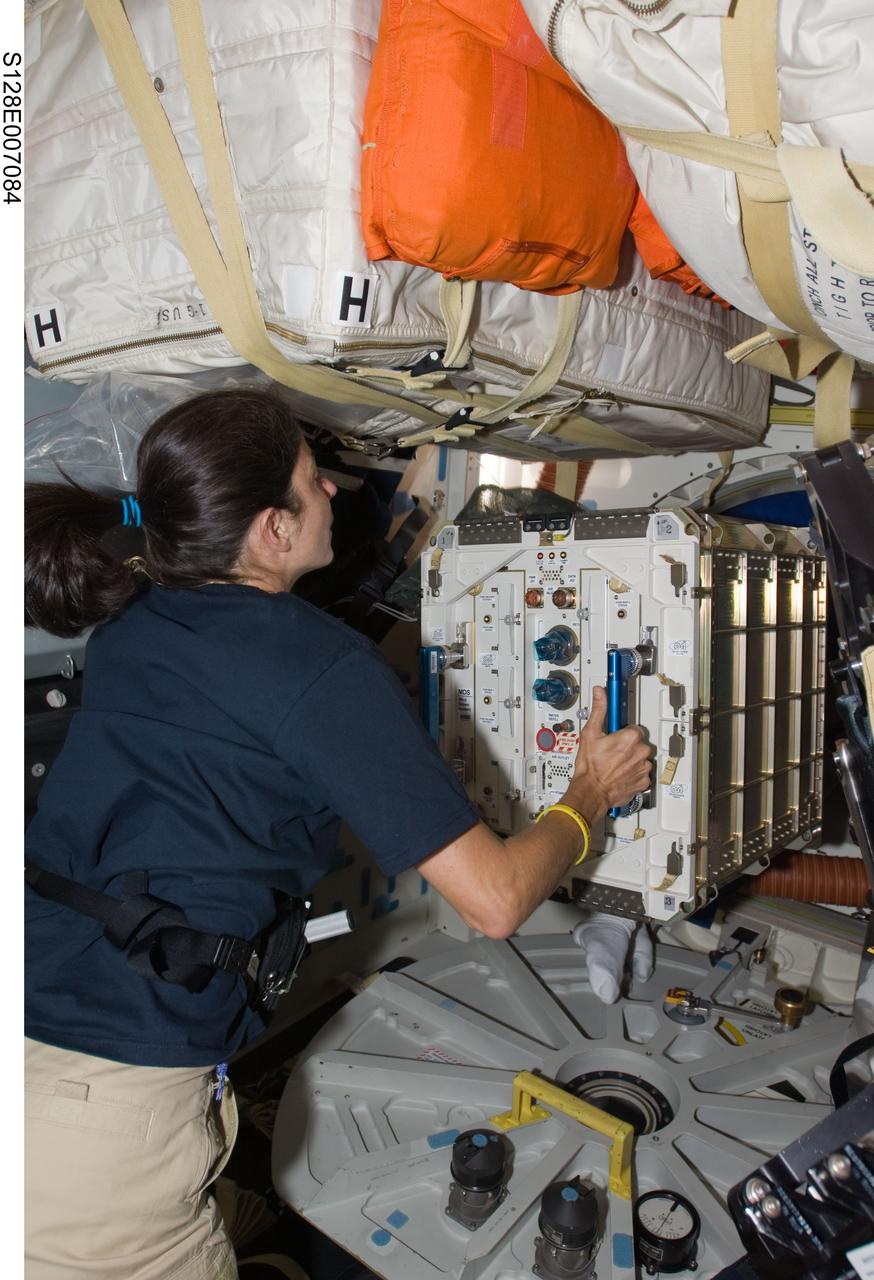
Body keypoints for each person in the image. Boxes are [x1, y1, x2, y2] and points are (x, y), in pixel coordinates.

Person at [24, 388, 653, 1280]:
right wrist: (589, 792)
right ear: (274, 530)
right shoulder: (322, 669)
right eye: (315, 480)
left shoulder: (135, 620)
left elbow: (251, 713)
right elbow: (497, 899)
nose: (333, 493)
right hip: (108, 1130)